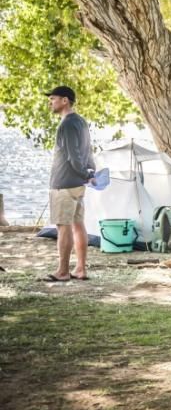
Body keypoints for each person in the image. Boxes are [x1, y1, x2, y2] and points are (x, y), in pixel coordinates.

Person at [44, 86, 96, 282]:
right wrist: (90, 173)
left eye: (53, 99)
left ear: (65, 100)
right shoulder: (81, 122)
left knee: (63, 226)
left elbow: (74, 155)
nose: (51, 102)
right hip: (78, 184)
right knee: (78, 224)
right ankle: (80, 269)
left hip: (64, 184)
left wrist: (85, 172)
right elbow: (88, 151)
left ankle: (63, 271)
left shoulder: (66, 124)